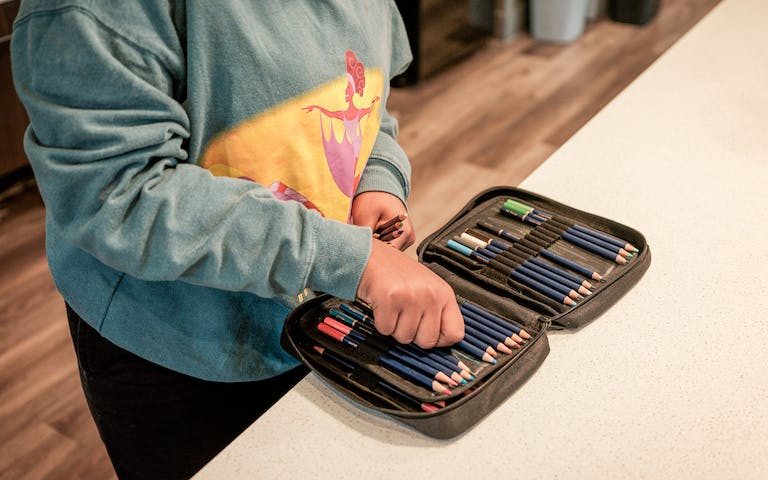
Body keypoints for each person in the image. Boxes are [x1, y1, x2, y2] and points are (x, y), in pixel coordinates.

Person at [12, 1, 464, 479]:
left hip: (314, 311)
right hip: (177, 347)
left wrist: (377, 178)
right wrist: (349, 259)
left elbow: (368, 97)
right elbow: (122, 193)